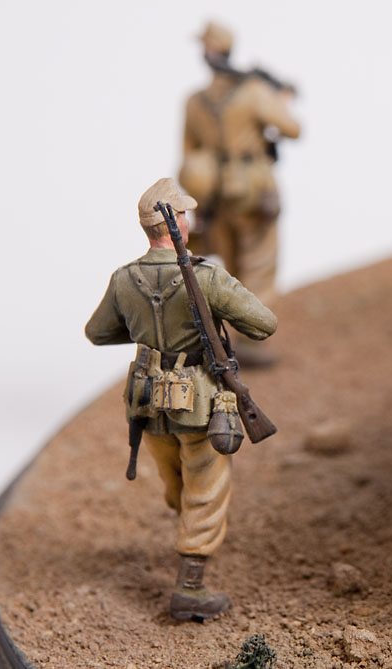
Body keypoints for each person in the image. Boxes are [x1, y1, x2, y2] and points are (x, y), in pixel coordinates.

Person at [85, 177, 277, 621]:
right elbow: (263, 324)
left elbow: (98, 332)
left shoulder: (124, 279)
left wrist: (146, 334)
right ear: (179, 223)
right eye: (185, 213)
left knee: (176, 484)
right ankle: (190, 587)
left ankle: (186, 532)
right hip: (200, 404)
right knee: (205, 488)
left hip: (146, 403)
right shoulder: (206, 277)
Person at [178, 20, 300, 366]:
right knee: (259, 264)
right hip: (254, 191)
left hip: (216, 195)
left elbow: (186, 154)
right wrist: (280, 101)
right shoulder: (254, 92)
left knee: (231, 268)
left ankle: (230, 341)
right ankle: (250, 343)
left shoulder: (194, 101)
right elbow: (293, 128)